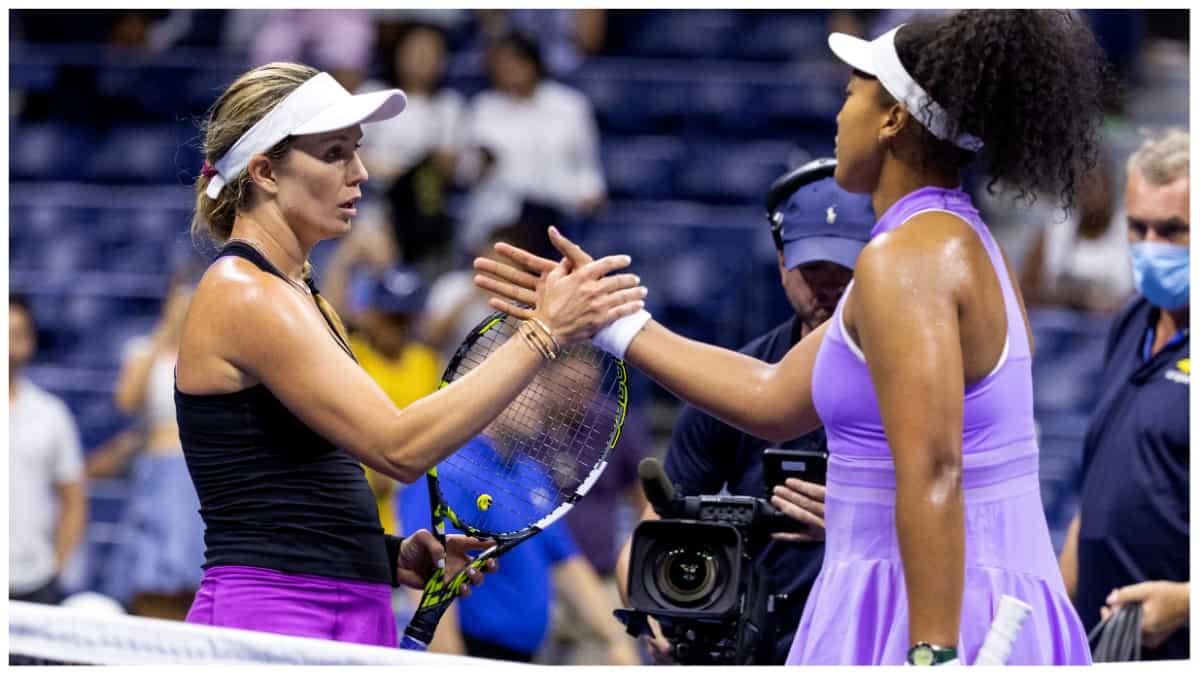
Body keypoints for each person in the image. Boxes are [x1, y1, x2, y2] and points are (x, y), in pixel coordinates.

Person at [475, 10, 1109, 665]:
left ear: (893, 118)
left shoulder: (909, 261)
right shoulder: (955, 243)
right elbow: (772, 394)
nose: (839, 115)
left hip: (934, 612)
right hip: (944, 592)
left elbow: (935, 469)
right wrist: (612, 320)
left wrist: (933, 653)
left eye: (852, 93)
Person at [177, 61, 645, 648]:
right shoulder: (245, 293)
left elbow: (290, 479)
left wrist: (386, 552)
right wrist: (542, 332)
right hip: (273, 617)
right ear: (266, 171)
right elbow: (399, 449)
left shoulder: (300, 294)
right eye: (334, 154)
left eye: (358, 151)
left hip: (339, 606)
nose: (361, 172)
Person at [614, 159, 875, 665]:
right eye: (811, 268)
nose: (828, 286)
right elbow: (651, 532)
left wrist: (863, 521)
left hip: (873, 641)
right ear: (781, 263)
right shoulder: (732, 383)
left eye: (846, 268)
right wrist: (649, 606)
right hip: (755, 649)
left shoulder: (917, 382)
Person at [1058, 128, 1190, 660]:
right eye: (1138, 227)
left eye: (1173, 231)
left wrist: (1188, 602)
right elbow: (1096, 495)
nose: (1150, 247)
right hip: (1103, 645)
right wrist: (1054, 614)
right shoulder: (1131, 319)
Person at [398, 425, 642, 665]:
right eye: (525, 386)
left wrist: (616, 640)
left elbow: (565, 561)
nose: (540, 397)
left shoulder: (531, 473)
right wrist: (450, 666)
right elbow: (427, 578)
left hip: (524, 658)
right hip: (470, 656)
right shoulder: (448, 469)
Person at [96, 273, 206, 620]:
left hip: (200, 474)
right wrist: (166, 330)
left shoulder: (211, 350)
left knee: (197, 573)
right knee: (151, 573)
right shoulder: (144, 349)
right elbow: (127, 400)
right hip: (159, 472)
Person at [456, 30, 607, 251]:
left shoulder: (569, 105)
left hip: (558, 214)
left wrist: (590, 194)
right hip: (498, 218)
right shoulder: (483, 108)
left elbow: (588, 170)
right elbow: (465, 172)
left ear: (533, 62)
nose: (509, 69)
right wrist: (482, 163)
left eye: (515, 61)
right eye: (501, 63)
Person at [357, 22, 464, 266]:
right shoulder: (373, 92)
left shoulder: (448, 105)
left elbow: (449, 164)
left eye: (430, 53)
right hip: (371, 197)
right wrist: (384, 169)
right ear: (398, 53)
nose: (422, 59)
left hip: (422, 204)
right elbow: (346, 149)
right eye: (415, 51)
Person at [9, 294, 88, 606]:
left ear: (30, 342)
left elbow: (74, 500)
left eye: (16, 334)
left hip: (36, 583)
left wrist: (56, 567)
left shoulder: (52, 415)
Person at [1020, 156, 1135, 314]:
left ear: (1110, 188)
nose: (1089, 195)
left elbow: (1144, 296)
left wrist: (1112, 305)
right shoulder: (1055, 229)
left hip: (1109, 325)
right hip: (1059, 327)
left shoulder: (1131, 232)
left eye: (1095, 186)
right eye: (1082, 187)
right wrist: (1074, 298)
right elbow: (1024, 291)